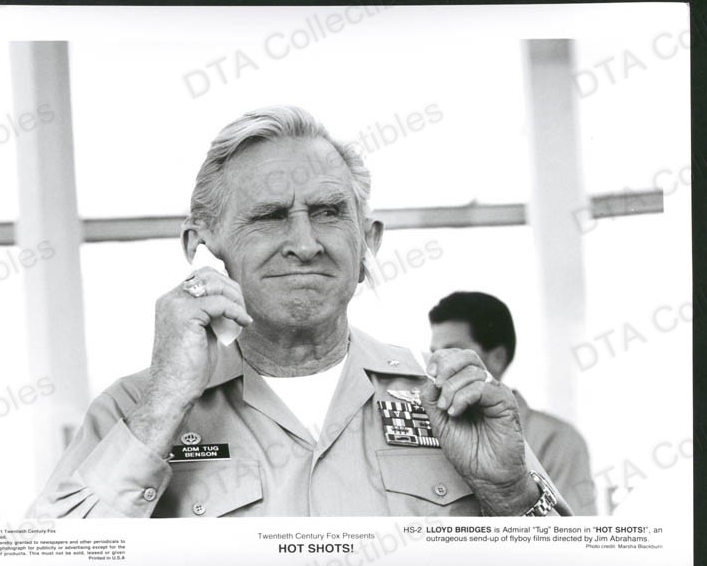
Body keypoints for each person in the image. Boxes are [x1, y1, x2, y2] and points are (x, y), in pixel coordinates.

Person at [31, 106, 571, 518]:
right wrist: (163, 406)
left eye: (329, 212)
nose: (306, 244)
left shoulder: (450, 403)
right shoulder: (132, 408)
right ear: (203, 249)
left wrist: (509, 492)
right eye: (269, 216)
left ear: (368, 243)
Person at [428, 292, 597, 514]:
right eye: (434, 353)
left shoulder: (559, 440)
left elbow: (575, 531)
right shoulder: (432, 429)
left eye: (454, 351)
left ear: (497, 358)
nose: (440, 363)